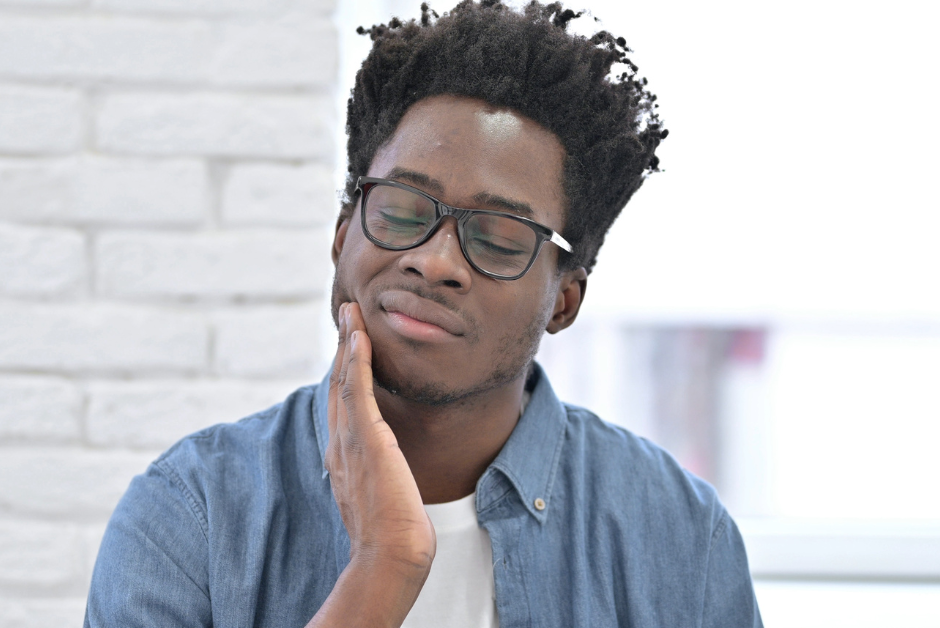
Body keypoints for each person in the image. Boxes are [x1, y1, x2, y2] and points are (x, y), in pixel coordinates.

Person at [85, 2, 763, 626]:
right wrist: (385, 565)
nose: (436, 261)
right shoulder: (191, 516)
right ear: (341, 233)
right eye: (404, 210)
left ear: (563, 300)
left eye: (498, 237)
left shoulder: (679, 538)